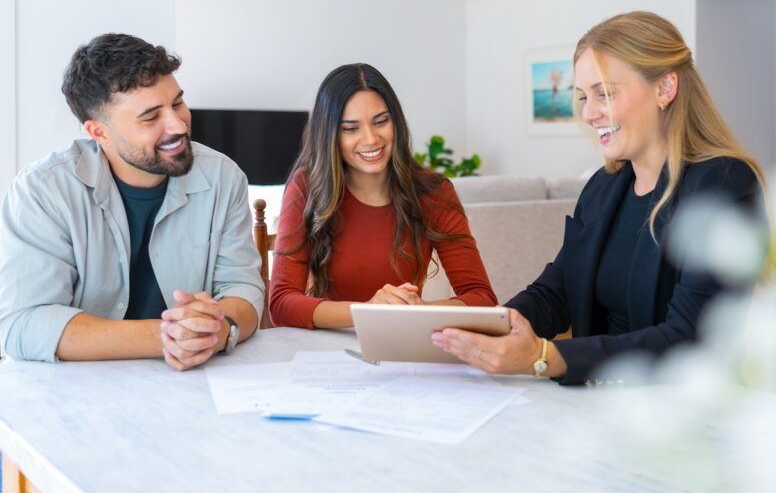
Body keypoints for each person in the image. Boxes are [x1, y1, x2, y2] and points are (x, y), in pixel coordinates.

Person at [432, 11, 767, 385]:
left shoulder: (725, 183)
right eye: (583, 97)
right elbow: (556, 289)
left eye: (604, 93)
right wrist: (487, 330)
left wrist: (545, 357)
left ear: (665, 88)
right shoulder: (603, 187)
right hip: (596, 407)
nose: (589, 113)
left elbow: (692, 338)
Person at [0, 34, 263, 370]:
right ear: (99, 133)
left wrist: (218, 328)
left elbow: (242, 288)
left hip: (191, 382)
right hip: (78, 390)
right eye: (151, 117)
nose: (178, 124)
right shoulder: (42, 191)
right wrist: (169, 336)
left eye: (178, 103)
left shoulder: (223, 177)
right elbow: (24, 325)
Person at [269, 63, 497, 329]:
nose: (370, 139)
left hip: (402, 343)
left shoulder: (433, 192)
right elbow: (281, 304)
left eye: (381, 121)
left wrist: (418, 310)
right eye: (350, 129)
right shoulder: (307, 186)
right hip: (329, 349)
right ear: (330, 135)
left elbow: (483, 299)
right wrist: (367, 311)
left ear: (396, 121)